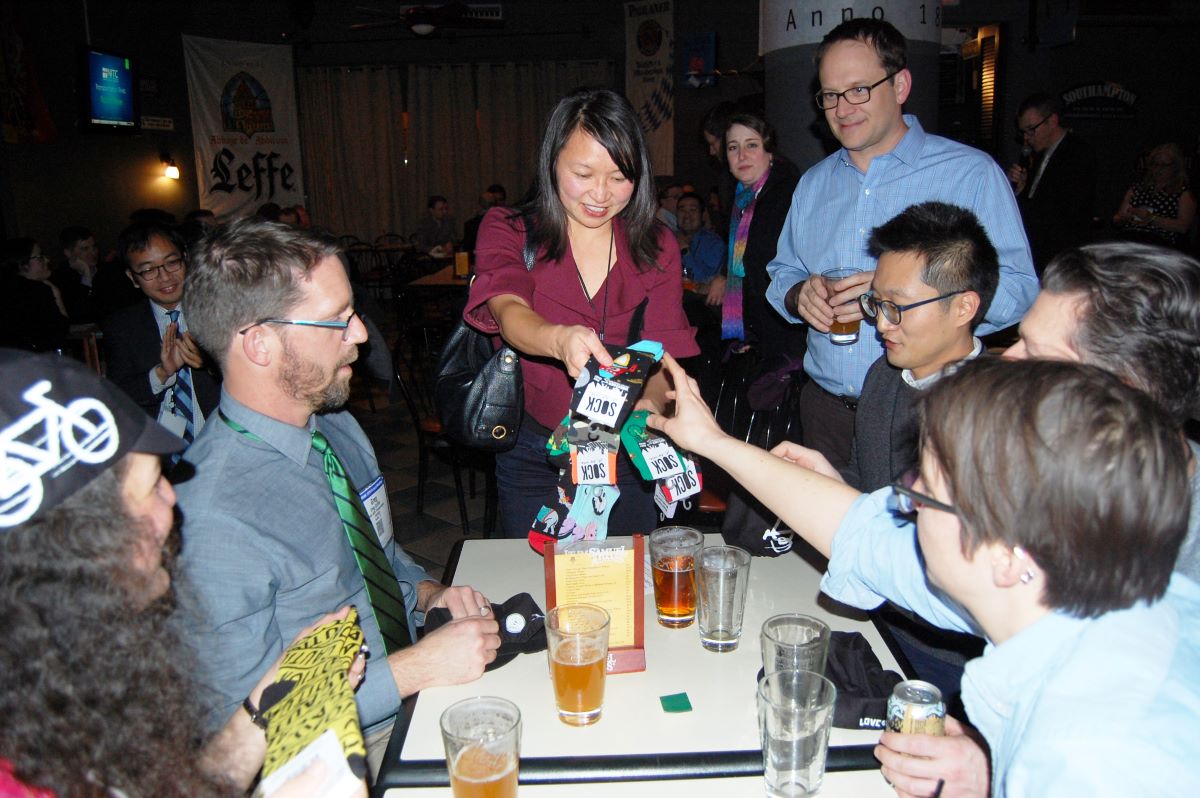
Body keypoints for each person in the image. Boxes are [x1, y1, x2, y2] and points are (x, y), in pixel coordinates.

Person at [646, 353, 1200, 797]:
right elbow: (862, 533)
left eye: (919, 493)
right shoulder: (1077, 585)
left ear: (1008, 559)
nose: (900, 507)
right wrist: (994, 770)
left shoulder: (1097, 758)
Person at [176, 218, 500, 776]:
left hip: (413, 678)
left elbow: (382, 554)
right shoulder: (212, 519)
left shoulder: (338, 430)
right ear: (259, 343)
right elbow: (240, 735)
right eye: (336, 321)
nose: (361, 335)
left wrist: (425, 592)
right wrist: (414, 671)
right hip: (336, 747)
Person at [0, 349, 366, 798]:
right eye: (151, 486)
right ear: (78, 542)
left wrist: (266, 707)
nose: (172, 503)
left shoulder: (67, 676)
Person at [766, 19, 1037, 470]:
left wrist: (905, 297)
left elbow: (1018, 290)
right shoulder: (813, 184)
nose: (842, 107)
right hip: (825, 409)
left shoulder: (968, 173)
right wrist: (799, 297)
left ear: (901, 85)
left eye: (859, 90)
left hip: (927, 411)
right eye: (830, 95)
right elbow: (782, 273)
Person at [466, 87, 699, 540]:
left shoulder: (655, 244)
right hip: (535, 452)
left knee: (627, 587)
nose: (600, 194)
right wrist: (559, 340)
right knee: (540, 588)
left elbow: (659, 354)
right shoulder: (509, 229)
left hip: (621, 453)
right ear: (553, 161)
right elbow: (507, 309)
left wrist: (648, 409)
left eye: (619, 177)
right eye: (583, 173)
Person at [790, 200, 998, 701]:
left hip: (951, 656)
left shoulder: (996, 415)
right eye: (875, 304)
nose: (880, 324)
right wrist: (825, 478)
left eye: (897, 307)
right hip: (876, 619)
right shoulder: (884, 375)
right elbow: (868, 482)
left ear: (964, 307)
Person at [102, 222, 220, 449]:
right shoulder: (123, 325)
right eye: (148, 270)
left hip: (217, 441)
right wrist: (161, 373)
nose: (164, 276)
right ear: (132, 277)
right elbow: (117, 394)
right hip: (157, 448)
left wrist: (208, 363)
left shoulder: (217, 310)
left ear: (186, 259)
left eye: (171, 263)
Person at [711, 112, 806, 372]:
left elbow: (768, 267)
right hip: (759, 329)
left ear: (769, 152)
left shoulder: (788, 195)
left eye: (751, 145)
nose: (742, 155)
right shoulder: (741, 199)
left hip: (785, 331)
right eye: (733, 148)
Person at [1006, 92, 1098, 271]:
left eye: (1031, 129)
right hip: (1041, 252)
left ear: (1052, 121)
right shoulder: (1039, 155)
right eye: (1023, 131)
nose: (1027, 137)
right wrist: (1023, 190)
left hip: (1062, 255)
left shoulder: (1078, 154)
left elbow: (1065, 211)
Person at [1113, 142, 1196, 250]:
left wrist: (1152, 219)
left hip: (1159, 242)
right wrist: (1124, 219)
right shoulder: (1137, 188)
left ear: (1175, 167)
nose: (1158, 169)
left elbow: (1183, 226)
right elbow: (1118, 217)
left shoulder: (1183, 192)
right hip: (1131, 236)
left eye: (1164, 165)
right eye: (1155, 164)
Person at [0, 238, 69, 353]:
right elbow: (59, 333)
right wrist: (55, 293)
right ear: (22, 264)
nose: (47, 260)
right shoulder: (38, 291)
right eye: (40, 257)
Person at [49, 226, 100, 323]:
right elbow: (77, 314)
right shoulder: (60, 278)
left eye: (94, 247)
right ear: (68, 253)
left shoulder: (108, 271)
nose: (93, 252)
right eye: (85, 249)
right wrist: (86, 276)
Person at [676, 191, 724, 285]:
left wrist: (685, 251)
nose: (687, 215)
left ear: (702, 215)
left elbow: (704, 280)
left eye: (693, 210)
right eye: (682, 210)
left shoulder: (713, 244)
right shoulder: (667, 240)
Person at [462, 184, 508, 254]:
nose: (499, 203)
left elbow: (467, 251)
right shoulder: (506, 223)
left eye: (500, 200)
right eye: (496, 201)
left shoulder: (470, 225)